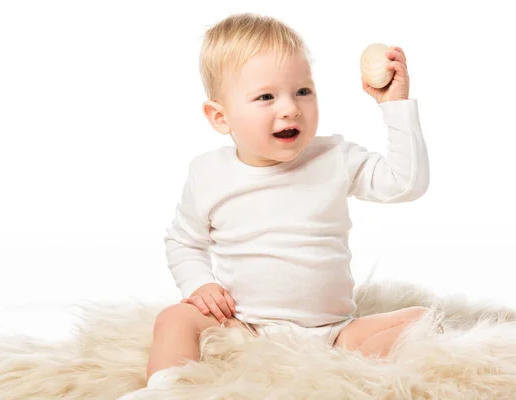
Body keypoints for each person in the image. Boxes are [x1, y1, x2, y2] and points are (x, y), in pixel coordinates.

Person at [119, 12, 434, 399]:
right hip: (243, 329)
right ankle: (166, 390)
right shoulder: (209, 173)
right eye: (266, 97)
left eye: (303, 91)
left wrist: (395, 105)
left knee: (422, 321)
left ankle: (336, 378)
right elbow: (183, 242)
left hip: (331, 335)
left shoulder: (334, 156)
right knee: (174, 319)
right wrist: (198, 283)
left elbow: (406, 184)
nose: (290, 108)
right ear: (220, 117)